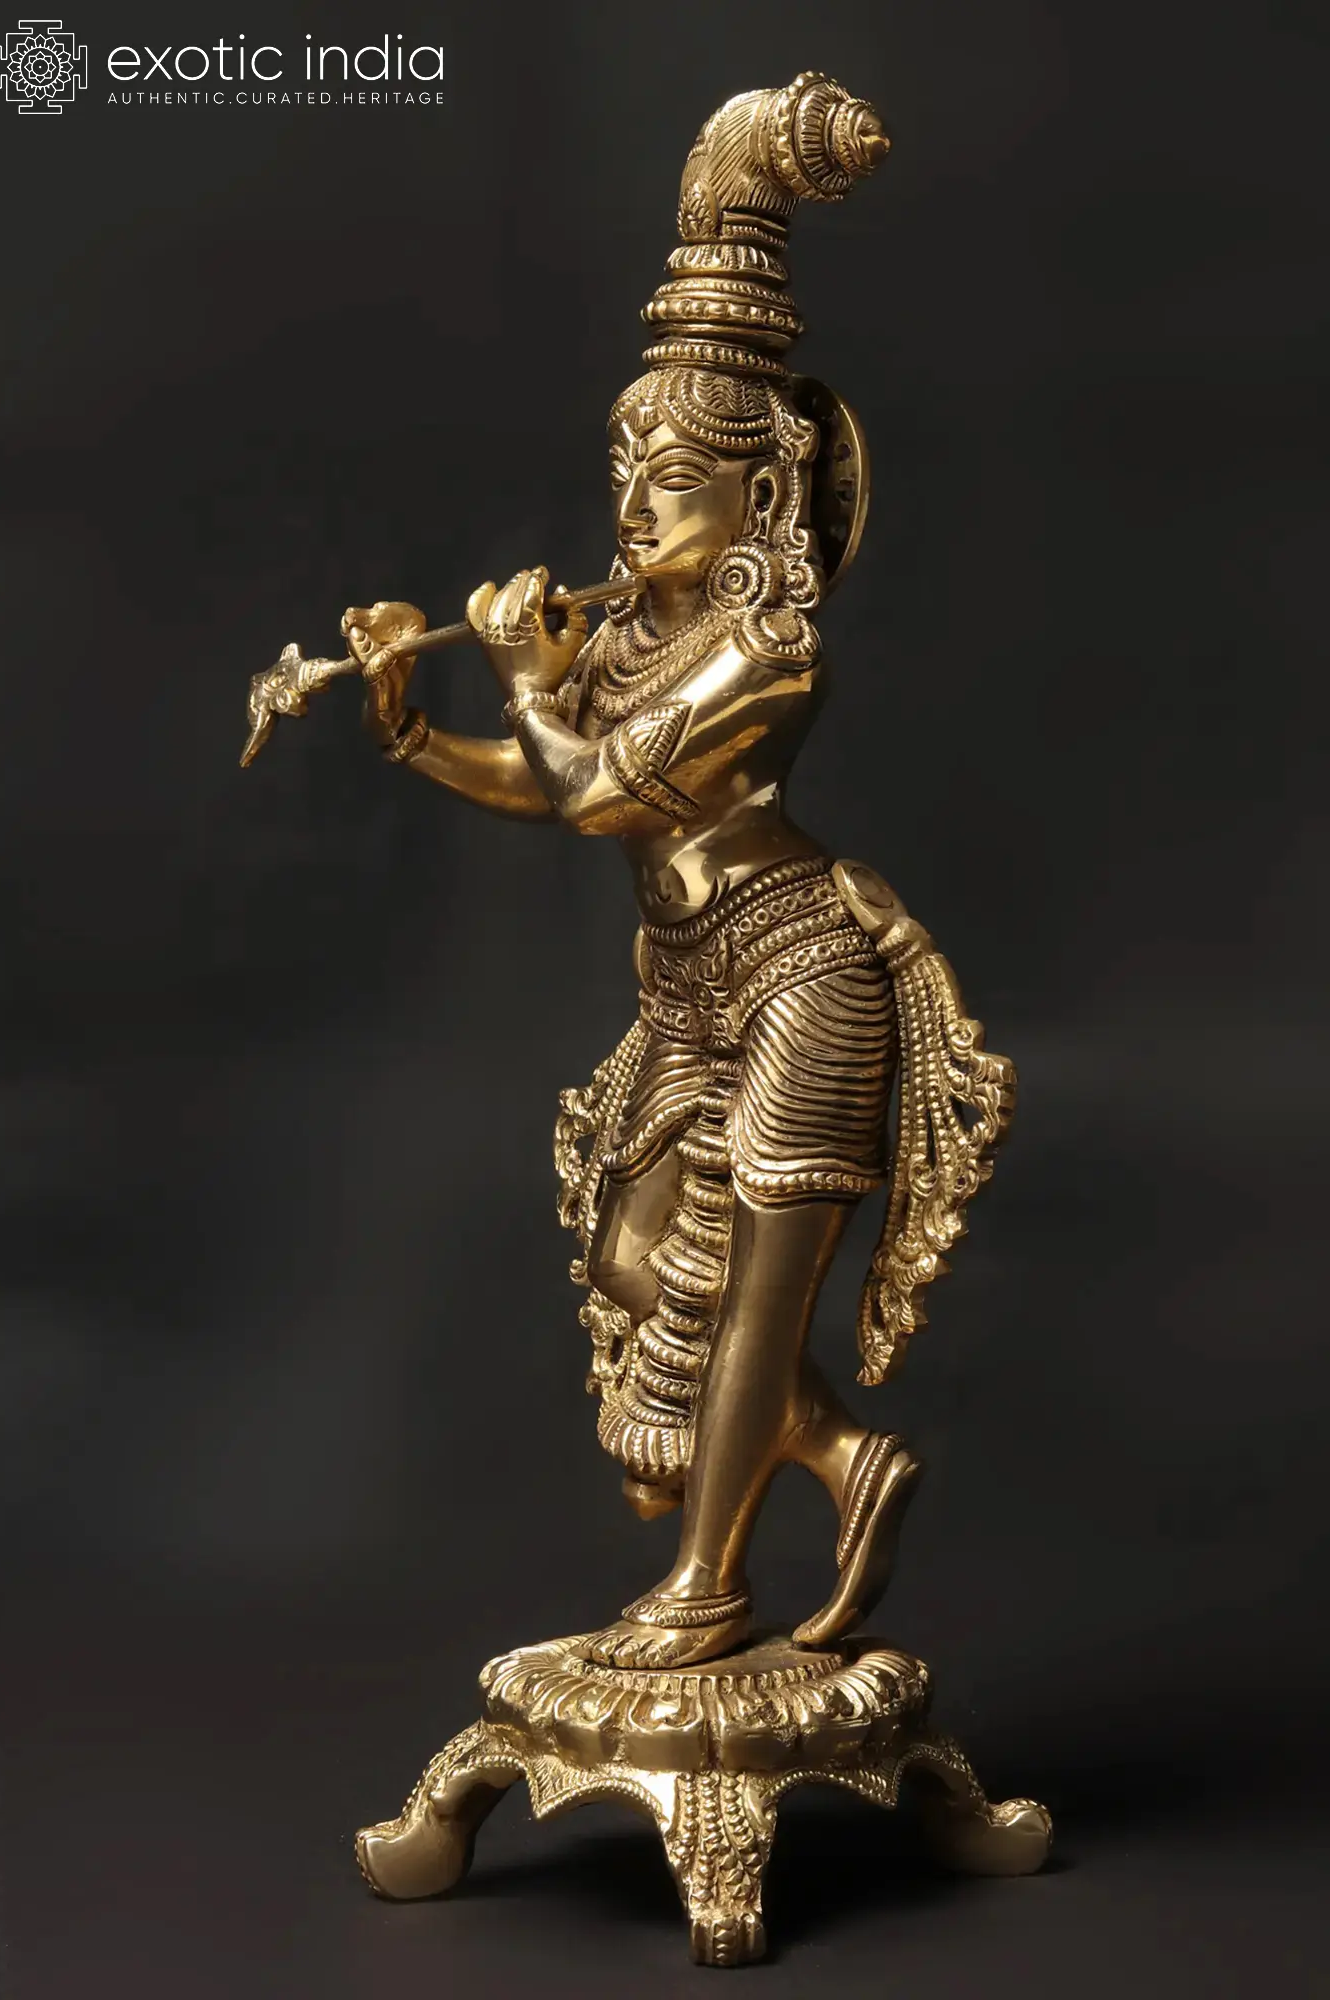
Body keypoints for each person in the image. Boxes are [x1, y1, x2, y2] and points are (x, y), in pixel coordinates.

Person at [340, 75, 1014, 1669]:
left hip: (803, 981)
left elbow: (593, 795)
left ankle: (706, 1587)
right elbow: (544, 782)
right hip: (691, 992)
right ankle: (846, 1459)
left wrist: (525, 678)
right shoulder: (639, 631)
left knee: (755, 1309)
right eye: (624, 468)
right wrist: (413, 730)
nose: (634, 504)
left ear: (762, 496)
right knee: (638, 1259)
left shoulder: (769, 656)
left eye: (674, 475)